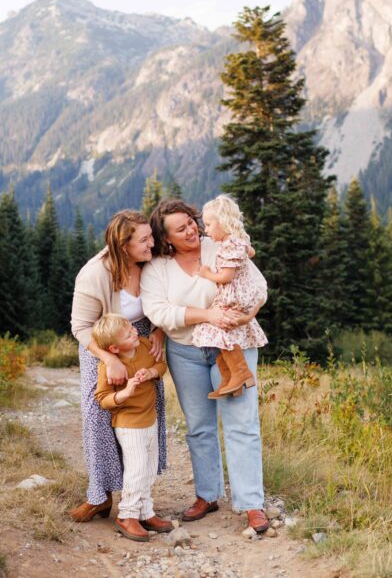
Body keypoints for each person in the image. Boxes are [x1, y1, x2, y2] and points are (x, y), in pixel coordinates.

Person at [141, 198, 270, 534]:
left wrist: (250, 312)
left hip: (233, 347)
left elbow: (258, 287)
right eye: (181, 228)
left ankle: (251, 503)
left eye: (192, 222)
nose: (192, 230)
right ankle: (208, 494)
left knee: (242, 423)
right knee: (200, 426)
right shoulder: (158, 269)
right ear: (166, 238)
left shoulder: (221, 246)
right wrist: (207, 315)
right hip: (185, 352)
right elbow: (159, 312)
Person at [68, 210, 166, 522]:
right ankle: (100, 496)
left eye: (151, 236)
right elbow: (81, 328)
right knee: (100, 416)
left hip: (141, 341)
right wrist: (109, 358)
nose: (153, 243)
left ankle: (137, 500)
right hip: (103, 345)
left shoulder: (151, 263)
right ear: (123, 246)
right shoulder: (94, 274)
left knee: (144, 412)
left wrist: (160, 331)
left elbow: (165, 302)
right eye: (144, 239)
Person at [92, 314, 174, 541]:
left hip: (150, 418)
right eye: (128, 334)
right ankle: (127, 515)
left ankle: (145, 512)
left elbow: (161, 364)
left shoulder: (145, 345)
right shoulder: (108, 367)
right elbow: (103, 398)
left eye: (131, 327)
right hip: (129, 424)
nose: (135, 332)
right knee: (136, 469)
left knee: (149, 467)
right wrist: (125, 393)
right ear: (114, 348)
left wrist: (151, 373)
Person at [192, 194, 268, 399]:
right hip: (241, 295)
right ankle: (230, 379)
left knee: (219, 332)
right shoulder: (238, 241)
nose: (205, 230)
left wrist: (207, 274)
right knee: (219, 335)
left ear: (223, 223)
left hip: (235, 296)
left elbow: (226, 276)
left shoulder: (228, 246)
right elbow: (251, 252)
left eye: (208, 225)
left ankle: (241, 374)